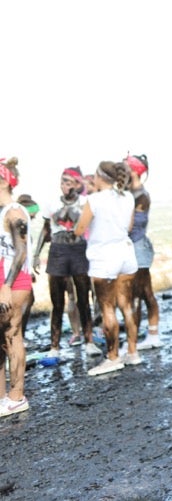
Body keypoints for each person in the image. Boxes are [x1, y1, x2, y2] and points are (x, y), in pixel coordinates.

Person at [75, 160, 141, 376]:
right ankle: (132, 352)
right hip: (126, 253)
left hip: (104, 256)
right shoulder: (128, 197)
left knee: (107, 307)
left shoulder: (93, 200)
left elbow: (80, 229)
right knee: (127, 305)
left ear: (99, 176)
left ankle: (112, 357)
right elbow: (130, 227)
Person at [35, 166, 97, 356]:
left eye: (68, 182)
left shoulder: (86, 202)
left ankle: (89, 340)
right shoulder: (51, 203)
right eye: (62, 181)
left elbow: (94, 227)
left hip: (78, 250)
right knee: (58, 302)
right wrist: (36, 253)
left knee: (83, 299)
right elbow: (46, 230)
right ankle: (55, 346)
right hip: (58, 251)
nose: (64, 186)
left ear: (77, 184)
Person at [0, 158, 32, 416]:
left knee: (13, 335)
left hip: (13, 283)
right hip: (5, 281)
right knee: (3, 339)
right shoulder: (4, 211)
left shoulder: (14, 212)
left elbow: (20, 252)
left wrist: (6, 286)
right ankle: (3, 397)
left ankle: (17, 396)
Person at [126, 154, 161, 351]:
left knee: (141, 293)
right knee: (140, 293)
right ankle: (146, 335)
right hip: (135, 246)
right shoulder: (133, 193)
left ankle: (147, 336)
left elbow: (133, 225)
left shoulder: (139, 195)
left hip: (138, 246)